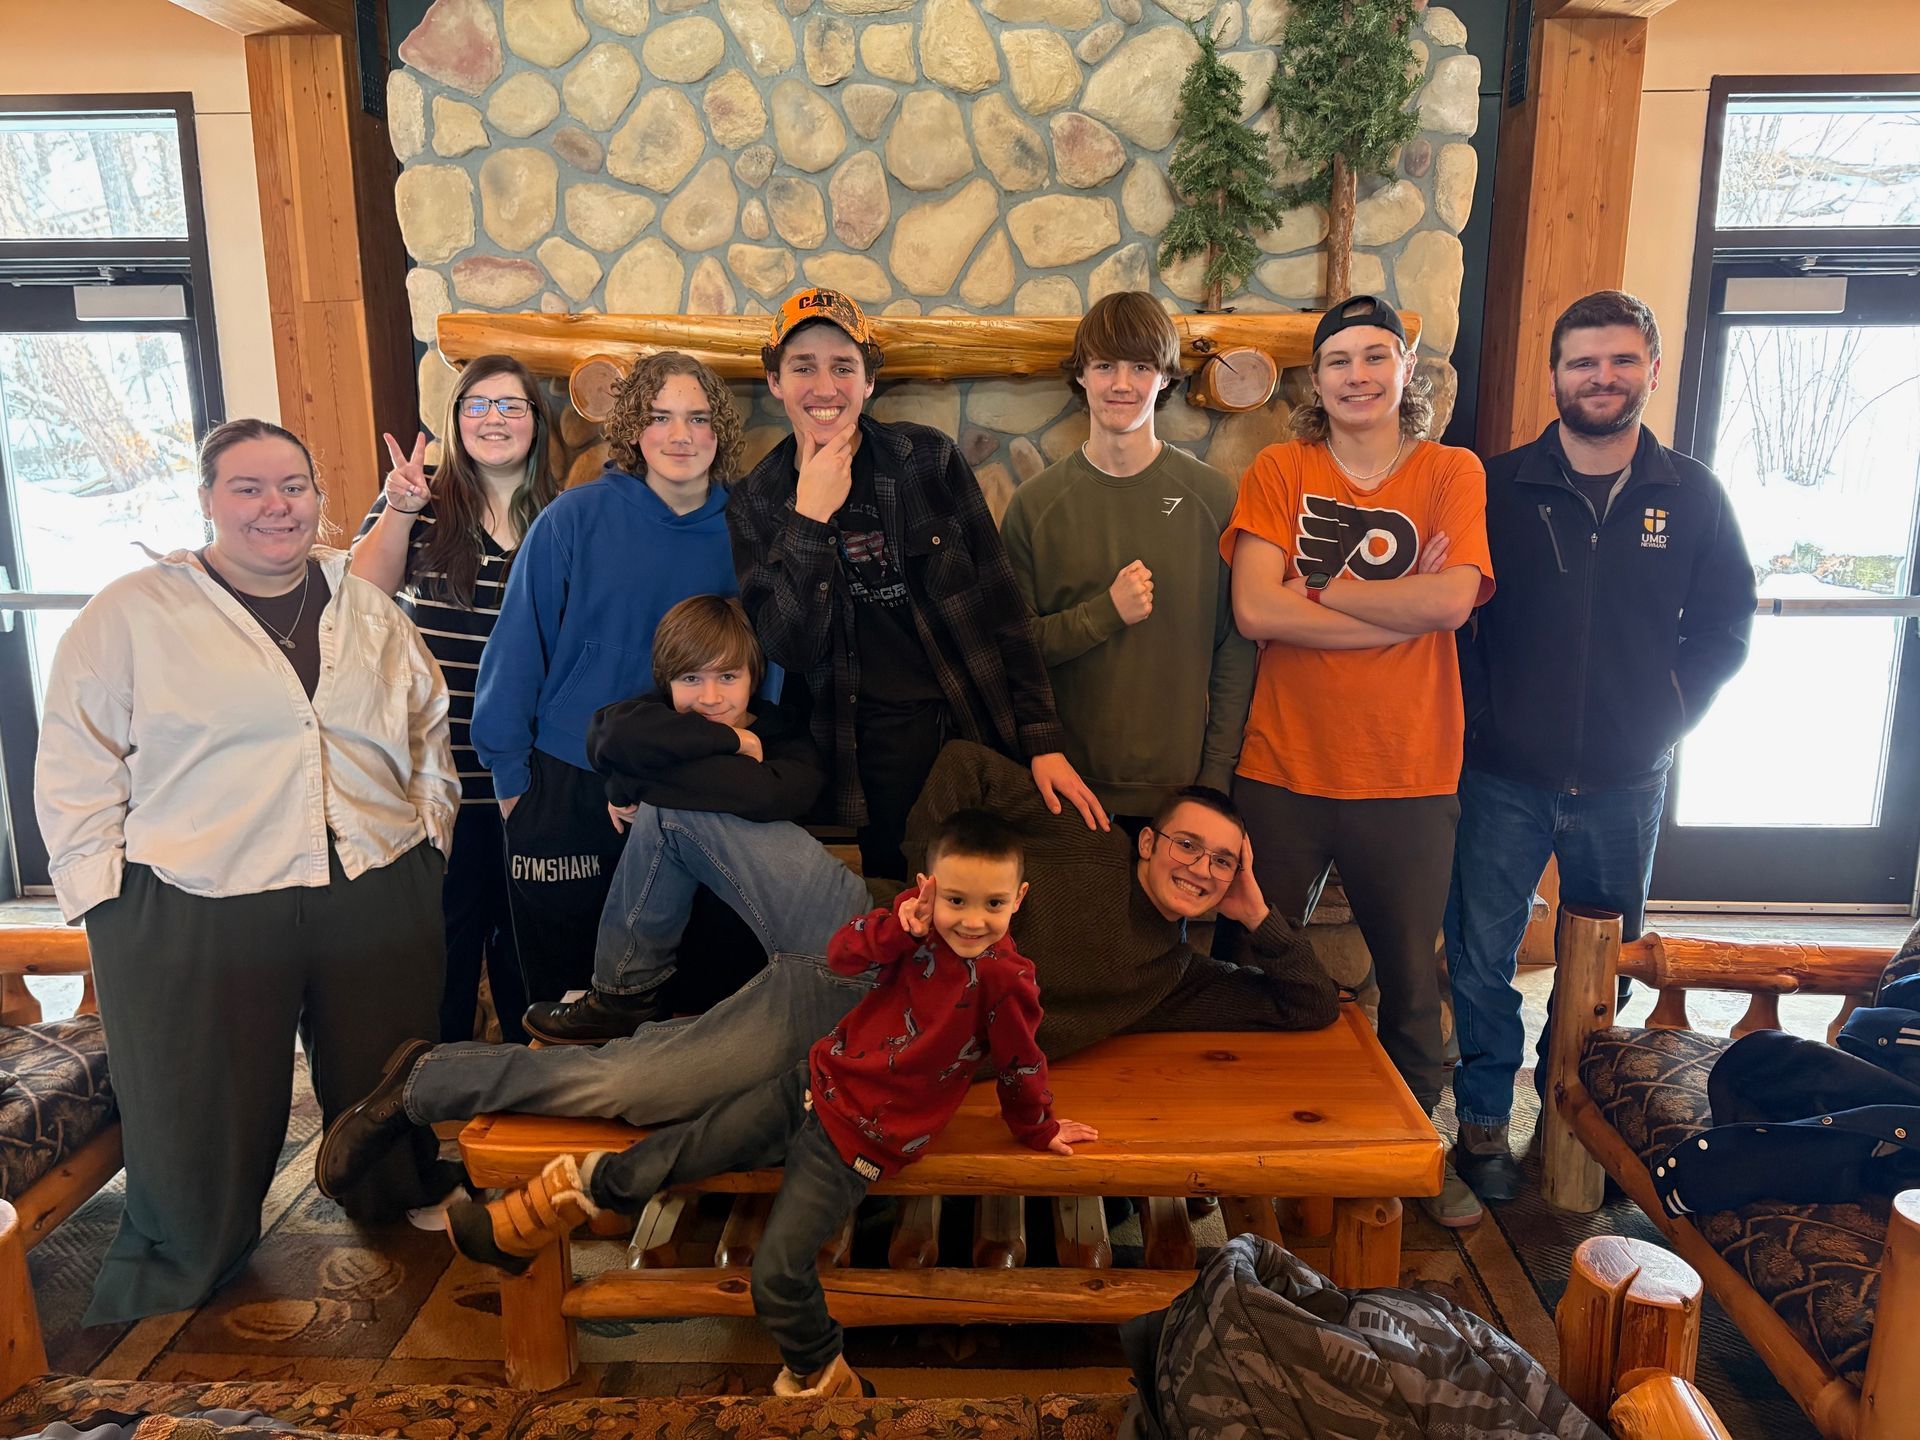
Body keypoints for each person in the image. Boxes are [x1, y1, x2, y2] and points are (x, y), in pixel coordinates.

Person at [314, 739, 1338, 1203]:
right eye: (1190, 846)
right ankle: (619, 991)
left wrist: (1258, 916)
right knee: (683, 816)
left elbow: (1307, 1006)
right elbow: (961, 766)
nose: (1201, 869)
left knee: (636, 1091)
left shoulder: (1171, 978)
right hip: (860, 928)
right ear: (1151, 839)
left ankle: (425, 1080)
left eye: (1223, 864)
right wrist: (932, 889)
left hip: (857, 1032)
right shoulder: (1086, 834)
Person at [34, 418, 460, 1324]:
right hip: (201, 889)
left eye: (294, 487)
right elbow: (77, 754)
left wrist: (432, 832)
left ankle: (388, 1197)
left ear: (319, 497)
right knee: (206, 1092)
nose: (277, 506)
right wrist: (103, 898)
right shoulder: (134, 612)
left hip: (373, 875)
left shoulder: (365, 606)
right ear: (206, 500)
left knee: (386, 1070)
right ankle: (193, 1245)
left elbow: (427, 720)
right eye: (249, 488)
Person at [444, 811, 1097, 1399]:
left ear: (1019, 899)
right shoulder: (911, 930)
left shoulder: (1007, 980)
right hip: (809, 1085)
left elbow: (1021, 1063)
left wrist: (1039, 1127)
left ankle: (829, 1383)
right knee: (677, 1149)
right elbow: (841, 957)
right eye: (956, 900)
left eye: (992, 904)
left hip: (858, 1144)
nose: (972, 920)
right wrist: (897, 925)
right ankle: (522, 1226)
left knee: (778, 1274)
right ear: (930, 888)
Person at [1446, 290, 1754, 1206]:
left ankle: (1568, 1117)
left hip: (1626, 779)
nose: (1602, 377)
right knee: (1480, 958)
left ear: (1652, 370)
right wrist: (1479, 716)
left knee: (1598, 971)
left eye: (1621, 360)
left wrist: (1666, 713)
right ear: (1555, 375)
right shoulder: (1494, 485)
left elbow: (1727, 625)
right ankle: (1481, 1127)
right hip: (1502, 773)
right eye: (1584, 361)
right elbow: (1457, 620)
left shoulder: (1691, 494)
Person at [1220, 294, 1493, 1227]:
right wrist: (1395, 608)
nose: (1358, 376)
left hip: (1409, 772)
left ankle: (1413, 1158)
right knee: (1248, 962)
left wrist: (1324, 590)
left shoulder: (1450, 470)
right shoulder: (1281, 468)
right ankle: (1243, 1143)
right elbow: (1255, 610)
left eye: (1376, 356)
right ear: (1317, 378)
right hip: (1282, 766)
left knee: (1411, 983)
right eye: (1339, 361)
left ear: (1405, 370)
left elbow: (1451, 602)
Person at [727, 286, 1104, 881]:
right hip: (854, 751)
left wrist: (1042, 739)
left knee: (984, 900)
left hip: (961, 731)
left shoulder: (926, 459)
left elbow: (1002, 607)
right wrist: (810, 519)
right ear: (775, 382)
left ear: (868, 381)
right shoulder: (757, 500)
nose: (824, 387)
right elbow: (789, 647)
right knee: (899, 907)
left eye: (843, 367)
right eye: (803, 367)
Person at [471, 351, 743, 1011]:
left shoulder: (747, 531)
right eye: (660, 417)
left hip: (694, 780)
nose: (680, 435)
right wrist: (514, 789)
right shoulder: (574, 517)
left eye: (698, 418)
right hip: (566, 783)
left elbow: (765, 661)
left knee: (686, 998)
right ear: (633, 429)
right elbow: (516, 651)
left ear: (720, 431)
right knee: (566, 1000)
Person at [351, 353, 559, 1043]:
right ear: (456, 420)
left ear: (537, 421)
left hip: (529, 780)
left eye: (511, 405)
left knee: (530, 957)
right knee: (442, 959)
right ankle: (435, 1097)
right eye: (478, 405)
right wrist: (401, 510)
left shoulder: (561, 518)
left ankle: (530, 1097)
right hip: (436, 780)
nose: (494, 419)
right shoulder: (420, 500)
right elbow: (360, 595)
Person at [1000, 291, 1256, 826]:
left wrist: (1214, 778)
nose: (1121, 384)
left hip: (1183, 794)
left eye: (1140, 366)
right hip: (1067, 791)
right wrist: (1104, 613)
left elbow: (1234, 651)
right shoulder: (1034, 506)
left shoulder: (1214, 499)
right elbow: (1015, 652)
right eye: (1104, 366)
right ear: (1081, 376)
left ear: (1164, 377)